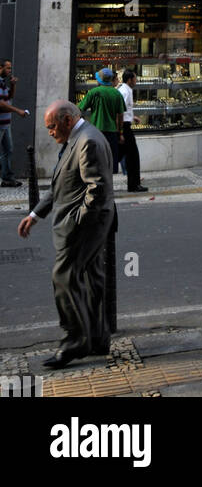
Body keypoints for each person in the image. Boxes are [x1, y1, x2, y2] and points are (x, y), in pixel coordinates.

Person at [17, 100, 115, 368]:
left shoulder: (88, 142)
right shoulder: (80, 138)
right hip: (91, 223)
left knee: (64, 276)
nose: (50, 132)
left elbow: (97, 188)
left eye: (51, 127)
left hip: (85, 226)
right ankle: (97, 337)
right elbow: (61, 186)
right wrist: (35, 214)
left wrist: (76, 220)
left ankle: (75, 339)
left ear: (67, 120)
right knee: (92, 278)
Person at [79, 68, 126, 173]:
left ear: (99, 80)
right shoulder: (117, 94)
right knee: (110, 162)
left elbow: (79, 110)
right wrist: (121, 133)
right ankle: (107, 186)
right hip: (112, 133)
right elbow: (120, 116)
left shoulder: (93, 93)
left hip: (96, 131)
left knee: (95, 162)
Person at [116, 70, 147, 193]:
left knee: (123, 156)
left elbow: (125, 109)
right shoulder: (125, 91)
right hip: (125, 127)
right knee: (133, 157)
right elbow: (120, 111)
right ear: (129, 80)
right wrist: (121, 132)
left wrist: (132, 117)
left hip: (126, 125)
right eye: (135, 78)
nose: (136, 81)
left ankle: (133, 184)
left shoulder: (126, 90)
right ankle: (134, 185)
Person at [0, 58, 28, 188]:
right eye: (8, 68)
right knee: (7, 150)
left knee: (8, 150)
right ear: (0, 68)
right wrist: (18, 111)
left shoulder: (3, 82)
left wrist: (13, 85)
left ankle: (7, 178)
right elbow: (1, 104)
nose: (10, 71)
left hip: (5, 124)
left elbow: (9, 97)